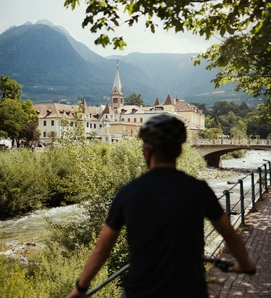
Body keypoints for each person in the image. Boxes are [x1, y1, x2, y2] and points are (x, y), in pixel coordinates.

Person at [66, 114, 256, 298]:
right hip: (189, 291)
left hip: (140, 292)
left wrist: (81, 288)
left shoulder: (128, 193)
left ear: (146, 151)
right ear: (180, 152)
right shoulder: (199, 190)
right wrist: (245, 264)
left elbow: (102, 249)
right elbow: (229, 234)